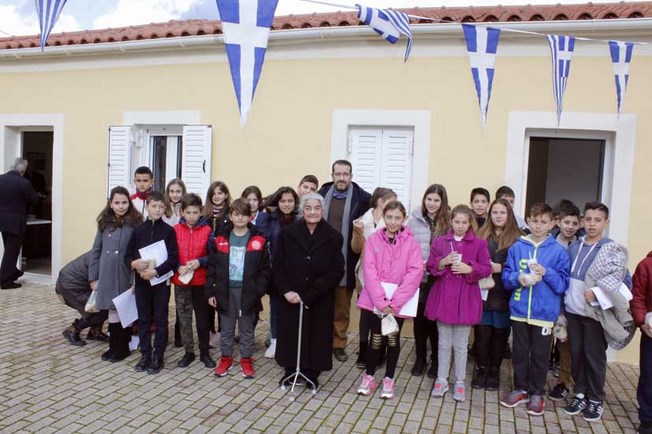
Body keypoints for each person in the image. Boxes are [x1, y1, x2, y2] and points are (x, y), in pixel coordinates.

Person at [500, 202, 570, 416]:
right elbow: (506, 277)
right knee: (520, 353)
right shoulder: (517, 247)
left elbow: (562, 285)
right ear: (528, 221)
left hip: (544, 313)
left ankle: (537, 392)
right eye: (535, 221)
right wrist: (519, 278)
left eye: (543, 222)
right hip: (520, 311)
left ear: (552, 224)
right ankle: (521, 389)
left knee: (540, 355)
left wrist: (546, 272)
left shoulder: (558, 251)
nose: (539, 226)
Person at [563, 202, 629, 422]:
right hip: (573, 311)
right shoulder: (574, 247)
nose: (592, 224)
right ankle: (580, 393)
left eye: (597, 220)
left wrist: (598, 294)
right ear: (583, 221)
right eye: (588, 219)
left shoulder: (611, 250)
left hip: (594, 315)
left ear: (606, 223)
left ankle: (596, 399)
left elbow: (622, 281)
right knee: (577, 353)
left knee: (594, 357)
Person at [274, 193, 345, 389]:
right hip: (291, 296)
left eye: (317, 208)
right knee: (291, 332)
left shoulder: (334, 237)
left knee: (316, 334)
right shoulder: (287, 233)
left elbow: (337, 270)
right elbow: (278, 265)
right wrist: (286, 291)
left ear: (323, 211)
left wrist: (312, 292)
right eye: (308, 208)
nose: (312, 212)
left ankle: (312, 373)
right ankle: (290, 370)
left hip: (319, 297)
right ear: (302, 211)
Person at [356, 201, 422, 399]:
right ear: (384, 217)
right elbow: (369, 271)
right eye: (389, 217)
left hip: (397, 303)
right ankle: (369, 376)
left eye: (397, 218)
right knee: (375, 339)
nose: (393, 222)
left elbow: (415, 272)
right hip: (376, 301)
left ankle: (389, 378)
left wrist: (396, 301)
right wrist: (381, 301)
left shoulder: (411, 243)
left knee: (392, 339)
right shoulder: (374, 240)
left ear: (404, 219)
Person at [426, 205, 491, 402]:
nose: (460, 226)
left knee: (461, 344)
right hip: (444, 297)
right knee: (443, 342)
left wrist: (469, 268)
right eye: (457, 222)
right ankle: (441, 379)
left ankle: (460, 381)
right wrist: (443, 261)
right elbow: (430, 265)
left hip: (466, 299)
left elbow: (486, 268)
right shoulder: (440, 242)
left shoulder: (479, 244)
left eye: (464, 222)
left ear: (470, 223)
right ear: (451, 221)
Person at [207, 198, 271, 378]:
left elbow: (265, 270)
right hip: (225, 292)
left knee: (246, 329)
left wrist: (257, 291)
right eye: (236, 214)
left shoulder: (258, 240)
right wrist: (210, 291)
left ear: (250, 217)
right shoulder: (221, 239)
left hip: (247, 292)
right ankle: (226, 358)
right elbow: (212, 267)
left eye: (244, 214)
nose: (240, 218)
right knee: (226, 328)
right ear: (230, 216)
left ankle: (246, 359)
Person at [318, 160, 371, 362]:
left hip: (346, 260)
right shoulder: (321, 195)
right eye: (338, 174)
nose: (341, 178)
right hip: (322, 260)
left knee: (341, 307)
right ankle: (321, 341)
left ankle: (339, 344)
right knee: (321, 305)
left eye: (345, 174)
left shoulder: (362, 199)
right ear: (332, 175)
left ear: (351, 176)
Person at [125, 191, 179, 375]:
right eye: (154, 206)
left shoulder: (169, 231)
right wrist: (134, 264)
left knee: (161, 319)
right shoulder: (138, 231)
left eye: (161, 207)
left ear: (165, 209)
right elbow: (128, 256)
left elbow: (173, 259)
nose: (157, 210)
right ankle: (145, 355)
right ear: (147, 207)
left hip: (161, 282)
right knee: (143, 319)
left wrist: (155, 272)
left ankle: (158, 355)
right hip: (142, 282)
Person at [472, 198, 522, 390]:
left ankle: (494, 371)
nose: (498, 216)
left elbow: (521, 265)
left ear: (509, 215)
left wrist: (502, 267)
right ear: (490, 214)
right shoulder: (481, 235)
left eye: (502, 212)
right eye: (495, 212)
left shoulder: (518, 237)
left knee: (500, 334)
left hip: (505, 293)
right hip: (483, 292)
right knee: (482, 333)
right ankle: (481, 369)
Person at [89, 186, 142, 362]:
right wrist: (93, 277)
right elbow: (96, 250)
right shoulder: (104, 223)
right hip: (107, 273)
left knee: (124, 310)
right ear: (111, 204)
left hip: (126, 273)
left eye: (124, 202)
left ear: (129, 203)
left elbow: (138, 253)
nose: (121, 206)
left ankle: (123, 347)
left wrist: (135, 279)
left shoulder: (135, 223)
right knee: (112, 310)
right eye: (117, 202)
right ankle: (114, 346)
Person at [406, 184, 451, 378]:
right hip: (419, 279)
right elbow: (406, 247)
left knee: (435, 322)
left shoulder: (448, 223)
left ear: (442, 202)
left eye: (436, 200)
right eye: (429, 199)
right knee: (419, 322)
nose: (432, 204)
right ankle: (420, 359)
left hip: (440, 279)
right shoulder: (413, 221)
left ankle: (436, 361)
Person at [351, 187, 397, 369]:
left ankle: (379, 351)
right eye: (391, 201)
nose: (394, 206)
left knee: (383, 313)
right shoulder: (363, 221)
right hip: (366, 274)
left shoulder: (394, 222)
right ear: (380, 201)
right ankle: (363, 350)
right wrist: (357, 233)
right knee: (366, 313)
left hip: (387, 276)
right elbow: (355, 248)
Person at [171, 193, 216, 369]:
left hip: (200, 282)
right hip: (181, 282)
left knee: (203, 319)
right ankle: (188, 352)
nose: (191, 216)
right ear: (182, 212)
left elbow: (213, 256)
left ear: (200, 212)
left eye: (195, 212)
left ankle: (205, 352)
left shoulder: (207, 231)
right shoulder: (175, 230)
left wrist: (200, 262)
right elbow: (170, 255)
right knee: (184, 319)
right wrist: (177, 266)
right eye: (188, 212)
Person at [261, 187, 300, 358]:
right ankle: (275, 341)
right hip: (276, 271)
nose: (286, 204)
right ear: (277, 202)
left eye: (290, 201)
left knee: (293, 309)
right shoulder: (270, 218)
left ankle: (291, 342)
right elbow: (263, 239)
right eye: (283, 201)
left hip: (295, 271)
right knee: (276, 308)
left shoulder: (300, 219)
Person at [549, 203, 581, 402]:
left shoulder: (581, 246)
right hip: (550, 300)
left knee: (566, 345)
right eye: (566, 222)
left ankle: (564, 382)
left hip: (572, 303)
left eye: (574, 223)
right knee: (546, 342)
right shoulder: (550, 243)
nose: (570, 227)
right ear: (558, 222)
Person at [0, 158, 38, 289]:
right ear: (23, 171)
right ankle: (5, 280)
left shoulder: (1, 179)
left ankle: (13, 272)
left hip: (2, 221)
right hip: (16, 222)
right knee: (12, 252)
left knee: (8, 249)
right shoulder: (24, 183)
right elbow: (34, 200)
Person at [57, 251, 109, 346]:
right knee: (99, 308)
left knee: (103, 305)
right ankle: (72, 330)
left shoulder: (107, 251)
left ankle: (95, 332)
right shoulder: (106, 255)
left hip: (79, 284)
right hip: (70, 286)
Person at [631, 251, 652, 434]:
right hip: (650, 332)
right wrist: (641, 321)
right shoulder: (646, 265)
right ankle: (647, 418)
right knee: (649, 375)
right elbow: (637, 295)